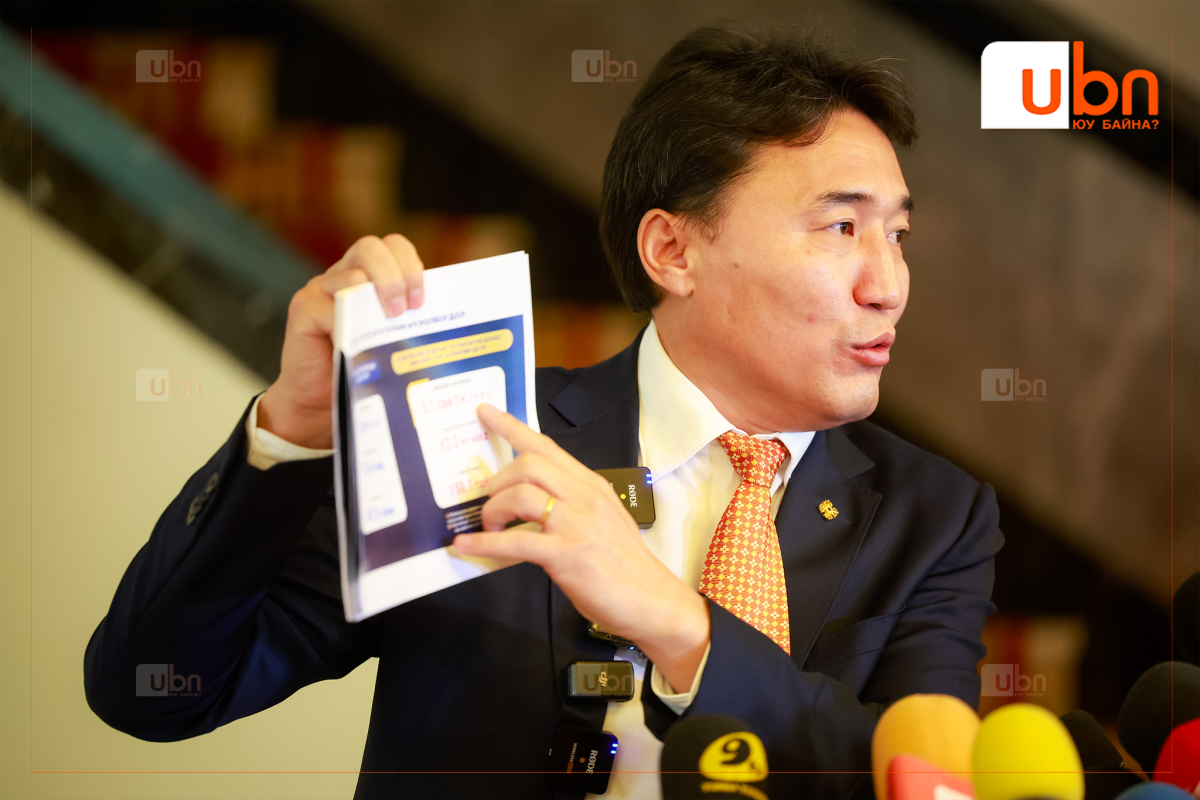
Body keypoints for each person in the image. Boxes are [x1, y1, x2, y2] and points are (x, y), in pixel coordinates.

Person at [84, 24, 1002, 799]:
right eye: (842, 227)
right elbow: (155, 692)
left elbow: (916, 779)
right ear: (673, 251)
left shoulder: (935, 517)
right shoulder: (479, 442)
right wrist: (292, 427)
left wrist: (680, 626)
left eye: (897, 234)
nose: (888, 284)